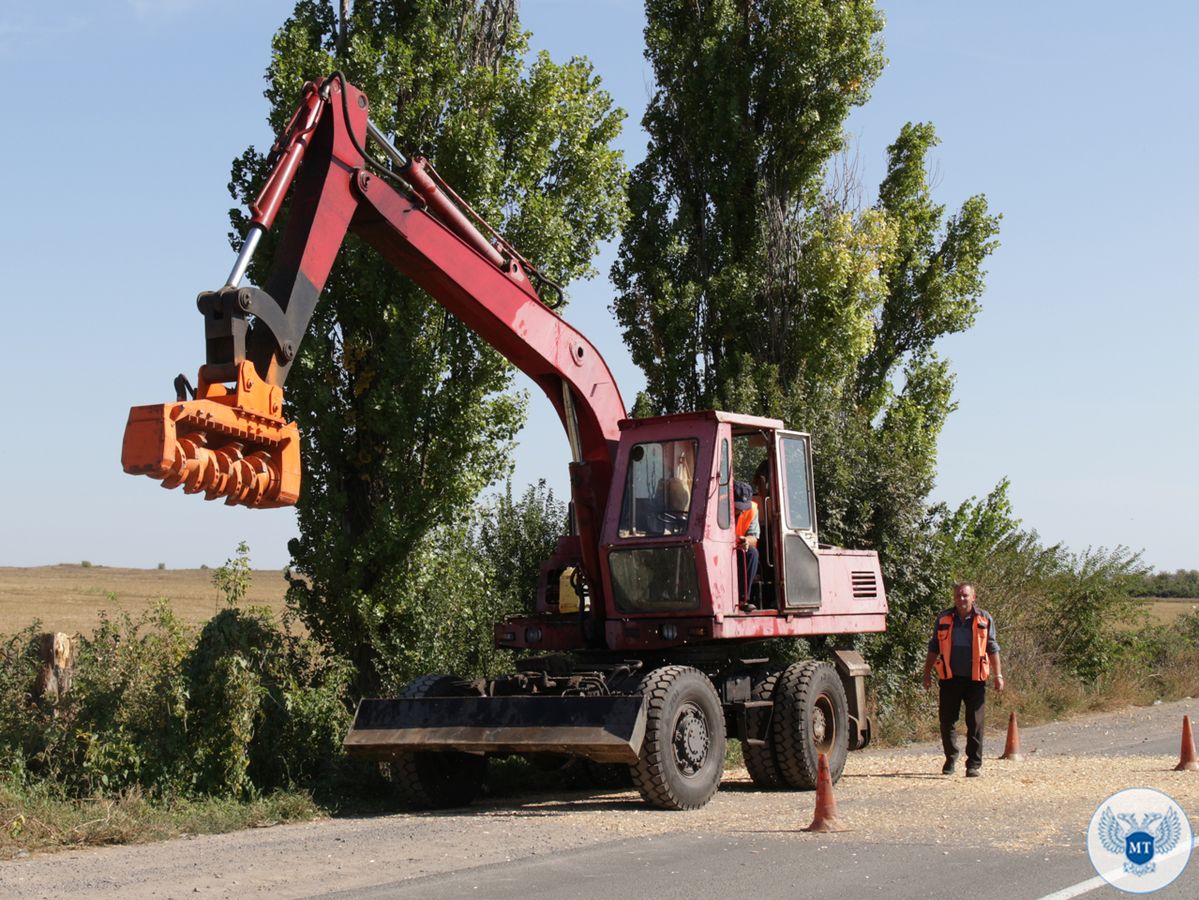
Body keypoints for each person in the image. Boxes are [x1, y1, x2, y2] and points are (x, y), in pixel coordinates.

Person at [921, 583, 1005, 777]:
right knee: (946, 721)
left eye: (965, 596)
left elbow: (992, 648)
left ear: (973, 597)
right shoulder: (943, 618)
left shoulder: (984, 618)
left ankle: (973, 764)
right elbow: (934, 646)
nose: (962, 599)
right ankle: (951, 757)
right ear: (954, 598)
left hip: (975, 679)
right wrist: (926, 674)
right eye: (958, 596)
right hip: (950, 678)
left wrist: (998, 675)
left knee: (975, 723)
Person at [734, 481, 759, 607]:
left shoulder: (753, 509)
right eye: (738, 505)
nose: (741, 509)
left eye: (744, 506)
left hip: (738, 547)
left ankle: (743, 599)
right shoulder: (719, 505)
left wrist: (746, 541)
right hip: (721, 547)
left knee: (752, 553)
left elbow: (754, 536)